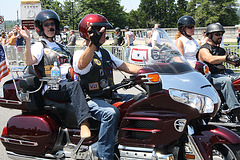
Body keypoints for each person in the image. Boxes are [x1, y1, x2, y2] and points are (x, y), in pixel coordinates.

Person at [73, 14, 142, 160]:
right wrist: (93, 43)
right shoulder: (80, 53)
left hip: (109, 96)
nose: (106, 34)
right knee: (110, 113)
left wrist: (153, 70)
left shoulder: (105, 53)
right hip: (91, 99)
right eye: (103, 31)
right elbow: (81, 65)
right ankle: (104, 156)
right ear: (91, 32)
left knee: (141, 101)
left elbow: (126, 66)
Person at [14, 9, 91, 139]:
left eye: (52, 24)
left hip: (66, 84)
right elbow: (29, 61)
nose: (51, 27)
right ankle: (84, 123)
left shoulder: (60, 46)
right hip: (52, 87)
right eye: (47, 24)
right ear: (40, 28)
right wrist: (27, 40)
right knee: (75, 86)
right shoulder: (39, 45)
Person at [196, 23, 240, 120]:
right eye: (217, 34)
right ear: (209, 35)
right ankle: (236, 110)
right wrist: (226, 57)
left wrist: (236, 61)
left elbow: (230, 61)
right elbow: (210, 59)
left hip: (223, 74)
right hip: (210, 78)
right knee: (225, 81)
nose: (220, 36)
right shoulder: (204, 49)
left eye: (221, 34)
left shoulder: (221, 50)